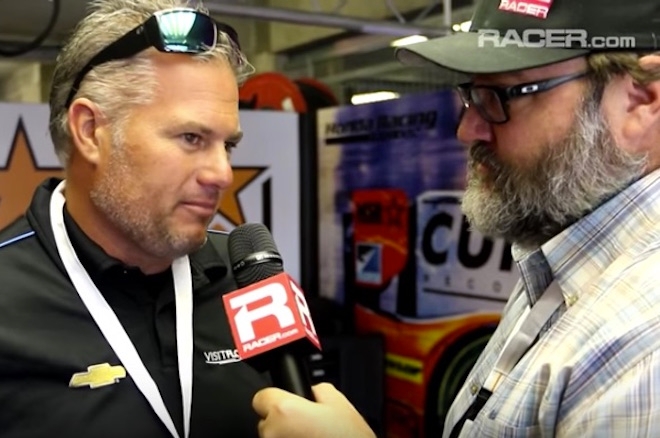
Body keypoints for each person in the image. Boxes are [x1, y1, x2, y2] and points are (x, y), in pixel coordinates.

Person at [252, 0, 660, 437]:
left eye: (500, 96)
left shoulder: (642, 348)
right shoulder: (560, 267)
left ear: (642, 101)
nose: (467, 130)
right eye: (471, 95)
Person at [0, 0, 272, 436]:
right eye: (191, 137)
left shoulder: (247, 278)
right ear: (90, 131)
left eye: (228, 146)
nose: (222, 173)